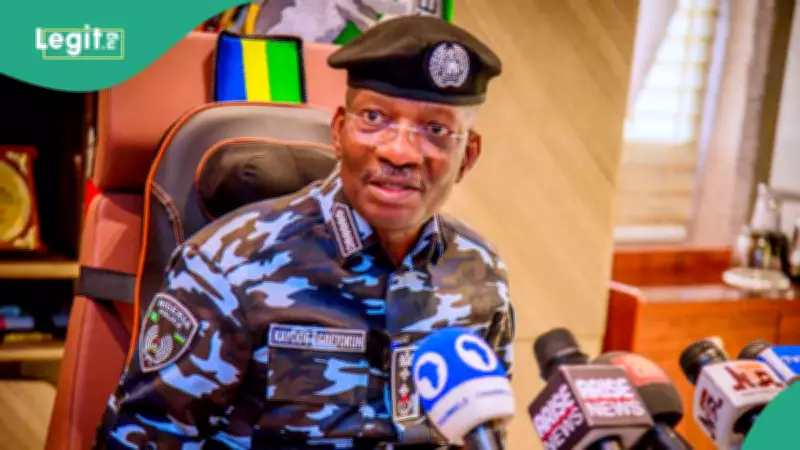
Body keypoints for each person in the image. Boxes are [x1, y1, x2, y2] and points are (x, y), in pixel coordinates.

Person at [95, 14, 515, 450]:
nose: (399, 152)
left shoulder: (481, 275)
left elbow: (484, 435)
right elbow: (136, 441)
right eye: (374, 117)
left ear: (468, 156)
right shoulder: (230, 266)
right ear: (339, 132)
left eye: (436, 130)